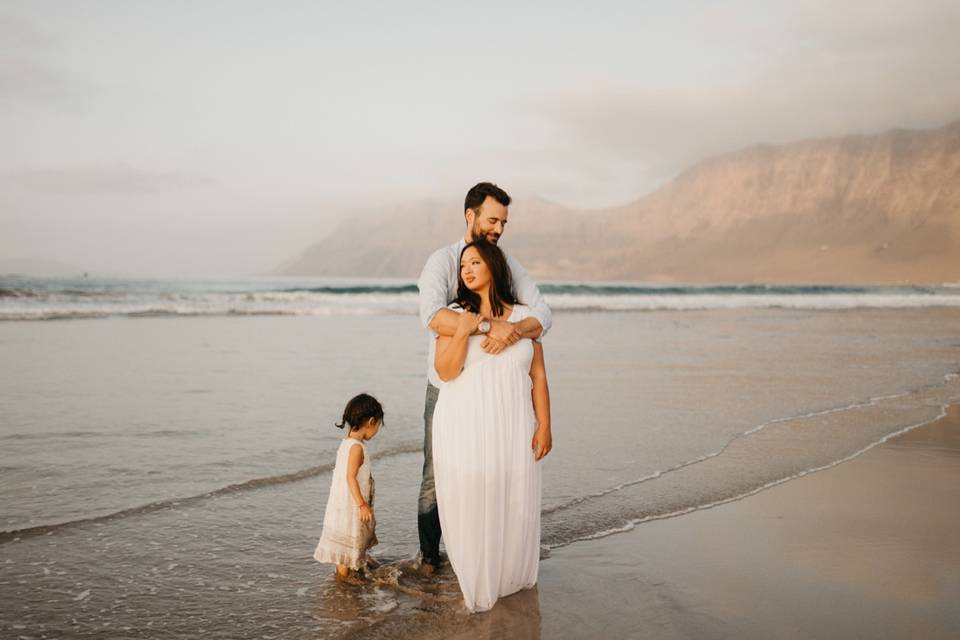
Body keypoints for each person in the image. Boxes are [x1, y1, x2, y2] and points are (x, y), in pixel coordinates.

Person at [416, 182, 553, 572]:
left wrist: (515, 328)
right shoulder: (443, 261)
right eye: (493, 219)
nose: (498, 228)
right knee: (437, 475)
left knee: (496, 469)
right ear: (470, 216)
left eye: (504, 222)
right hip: (447, 384)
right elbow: (433, 317)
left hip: (497, 392)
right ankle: (430, 557)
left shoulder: (507, 266)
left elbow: (542, 315)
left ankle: (491, 553)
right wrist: (488, 327)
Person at [432, 238, 553, 611]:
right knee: (474, 494)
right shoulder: (456, 315)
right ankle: (477, 576)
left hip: (514, 423)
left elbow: (539, 374)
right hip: (465, 422)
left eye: (475, 263)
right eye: (463, 265)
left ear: (494, 267)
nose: (466, 270)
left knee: (512, 493)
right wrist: (469, 329)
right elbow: (445, 371)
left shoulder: (523, 316)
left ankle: (508, 577)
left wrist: (545, 425)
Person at [313, 393, 383, 579]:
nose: (377, 430)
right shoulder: (357, 448)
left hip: (339, 506)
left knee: (344, 552)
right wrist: (362, 504)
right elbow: (350, 478)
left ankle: (345, 579)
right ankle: (342, 583)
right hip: (350, 507)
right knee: (347, 551)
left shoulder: (346, 443)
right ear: (371, 421)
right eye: (379, 425)